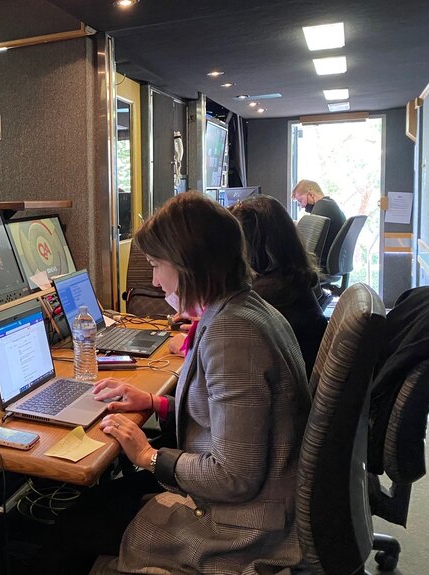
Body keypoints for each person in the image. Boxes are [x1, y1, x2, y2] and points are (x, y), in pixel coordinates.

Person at [92, 193, 311, 574]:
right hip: (262, 498)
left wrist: (148, 456)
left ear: (189, 264)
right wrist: (154, 401)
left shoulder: (232, 331)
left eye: (157, 266)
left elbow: (234, 475)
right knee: (97, 509)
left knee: (76, 528)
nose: (157, 282)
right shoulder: (244, 307)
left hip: (246, 524)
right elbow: (234, 417)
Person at [230, 195, 328, 377]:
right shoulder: (291, 281)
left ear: (252, 247)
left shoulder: (267, 296)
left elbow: (231, 353)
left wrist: (188, 345)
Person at [291, 179, 346, 269]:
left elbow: (308, 244)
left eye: (301, 201)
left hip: (319, 266)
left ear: (311, 194)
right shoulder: (330, 204)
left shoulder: (321, 207)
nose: (301, 206)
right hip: (333, 264)